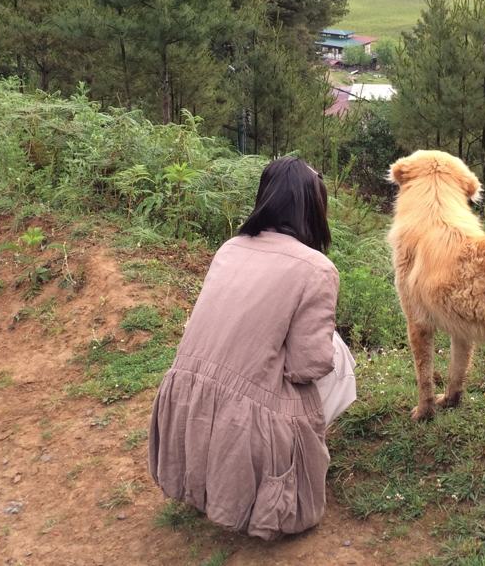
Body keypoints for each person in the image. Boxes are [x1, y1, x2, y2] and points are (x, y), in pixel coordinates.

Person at [148, 157, 354, 540]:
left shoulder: (231, 247)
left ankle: (206, 479)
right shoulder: (317, 268)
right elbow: (309, 365)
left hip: (184, 406)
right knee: (338, 355)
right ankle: (283, 462)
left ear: (266, 198)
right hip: (247, 423)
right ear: (314, 208)